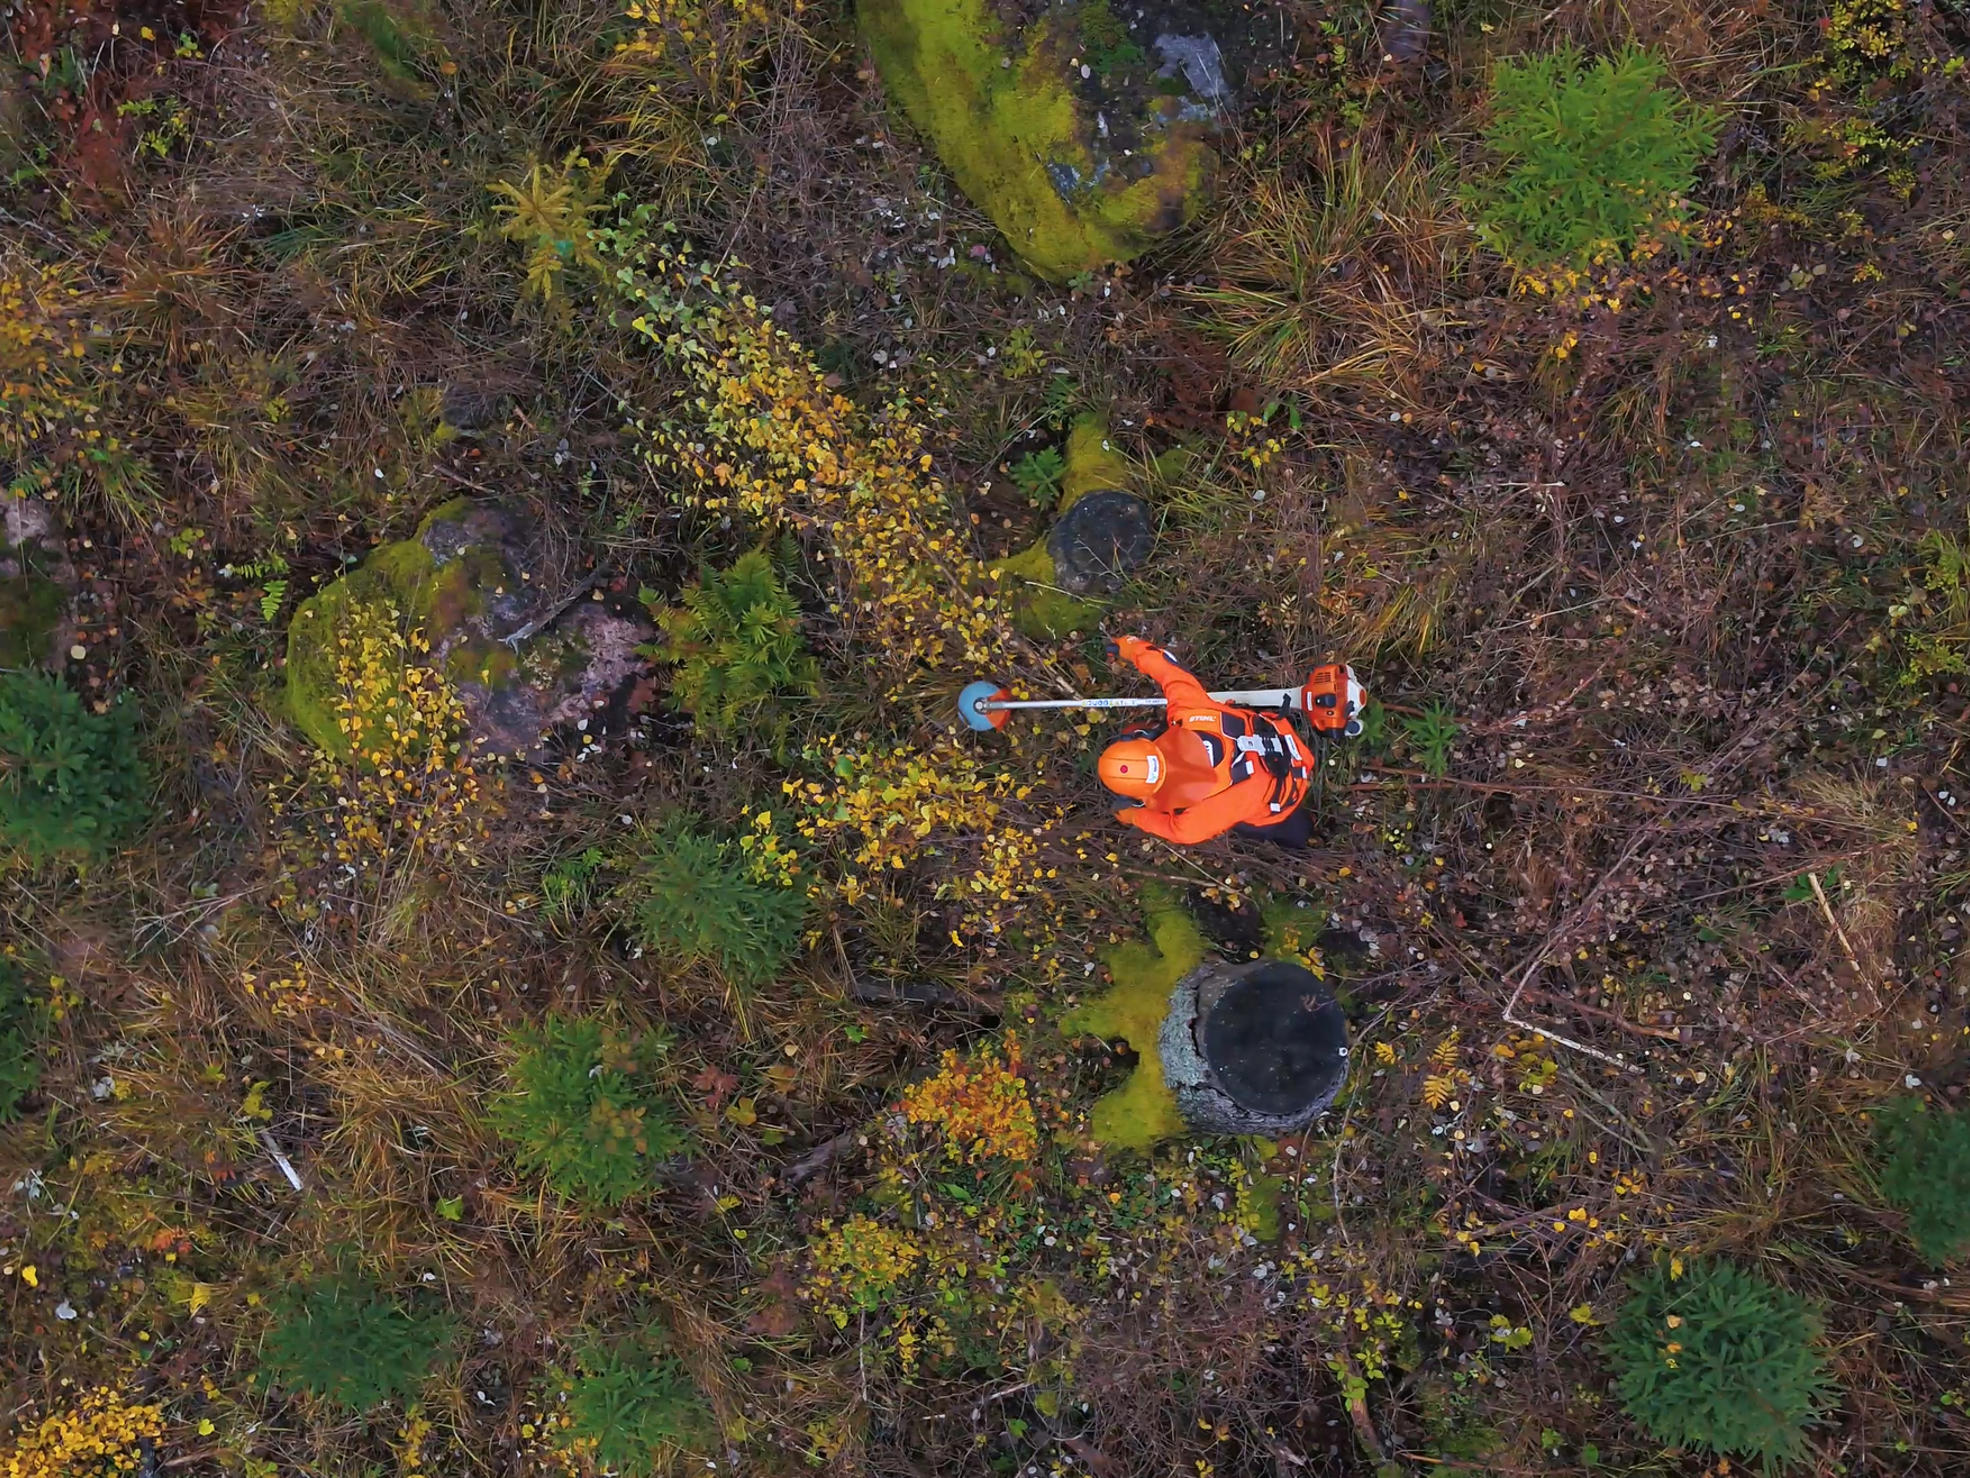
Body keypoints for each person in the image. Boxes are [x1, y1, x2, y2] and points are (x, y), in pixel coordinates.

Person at [1097, 635, 1318, 847]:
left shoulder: (1196, 820)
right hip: (1288, 743)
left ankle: (1300, 838)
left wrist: (1134, 816)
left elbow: (1170, 827)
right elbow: (1166, 667)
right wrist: (1130, 646)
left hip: (1283, 801)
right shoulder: (1190, 712)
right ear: (1147, 738)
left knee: (1278, 829)